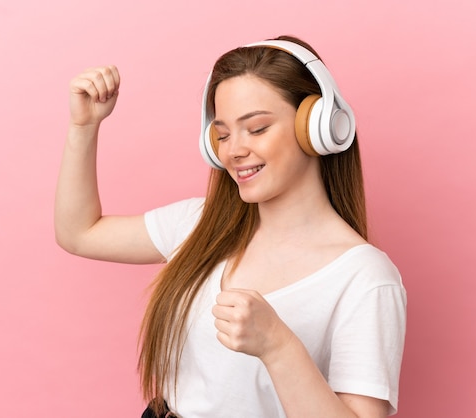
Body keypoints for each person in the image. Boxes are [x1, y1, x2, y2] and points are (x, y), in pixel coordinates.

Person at [55, 35, 407, 418]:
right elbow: (79, 233)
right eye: (222, 135)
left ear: (317, 127)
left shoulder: (365, 278)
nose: (233, 150)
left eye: (256, 129)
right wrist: (83, 126)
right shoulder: (200, 223)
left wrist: (278, 345)